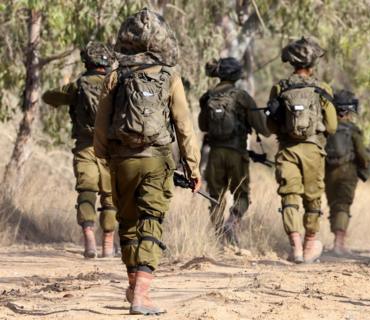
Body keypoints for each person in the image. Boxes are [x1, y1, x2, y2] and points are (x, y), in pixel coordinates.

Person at [94, 8, 201, 315]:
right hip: (157, 160)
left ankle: (132, 287)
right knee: (151, 221)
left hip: (122, 160)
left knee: (127, 223)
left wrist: (105, 157)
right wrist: (192, 168)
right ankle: (142, 293)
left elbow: (101, 124)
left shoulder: (115, 75)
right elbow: (184, 126)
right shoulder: (169, 76)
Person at [265, 37, 337, 264]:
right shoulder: (322, 89)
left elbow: (270, 125)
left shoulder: (280, 87)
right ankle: (309, 245)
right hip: (314, 151)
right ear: (313, 63)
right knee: (313, 198)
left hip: (287, 151)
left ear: (292, 62)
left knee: (290, 196)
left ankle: (295, 247)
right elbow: (333, 126)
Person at [42, 41, 116, 259]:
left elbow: (49, 97)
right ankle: (109, 244)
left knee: (87, 190)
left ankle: (89, 239)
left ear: (88, 61)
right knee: (110, 196)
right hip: (111, 148)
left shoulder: (79, 85)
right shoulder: (116, 84)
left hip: (85, 147)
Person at [198, 57, 270, 246]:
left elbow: (202, 125)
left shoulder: (208, 96)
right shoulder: (242, 96)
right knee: (242, 195)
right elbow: (263, 128)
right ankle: (233, 222)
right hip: (237, 153)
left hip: (215, 154)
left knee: (215, 197)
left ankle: (220, 239)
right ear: (237, 75)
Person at [325, 90, 370, 256]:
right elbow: (362, 155)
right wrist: (366, 165)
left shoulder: (326, 129)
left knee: (333, 205)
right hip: (347, 172)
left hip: (328, 172)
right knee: (343, 205)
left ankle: (336, 243)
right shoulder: (353, 129)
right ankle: (339, 244)